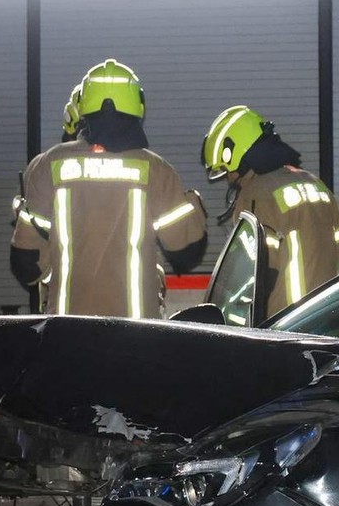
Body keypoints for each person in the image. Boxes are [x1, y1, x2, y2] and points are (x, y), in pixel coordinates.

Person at [11, 59, 206, 317]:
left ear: (83, 107)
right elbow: (186, 252)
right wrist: (194, 205)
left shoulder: (49, 166)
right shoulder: (156, 170)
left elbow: (26, 265)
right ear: (137, 106)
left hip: (68, 333)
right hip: (137, 337)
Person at [201, 105, 339, 317]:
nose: (228, 178)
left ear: (237, 155)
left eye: (226, 171)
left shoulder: (255, 195)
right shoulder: (317, 184)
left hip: (287, 326)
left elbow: (254, 275)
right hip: (327, 321)